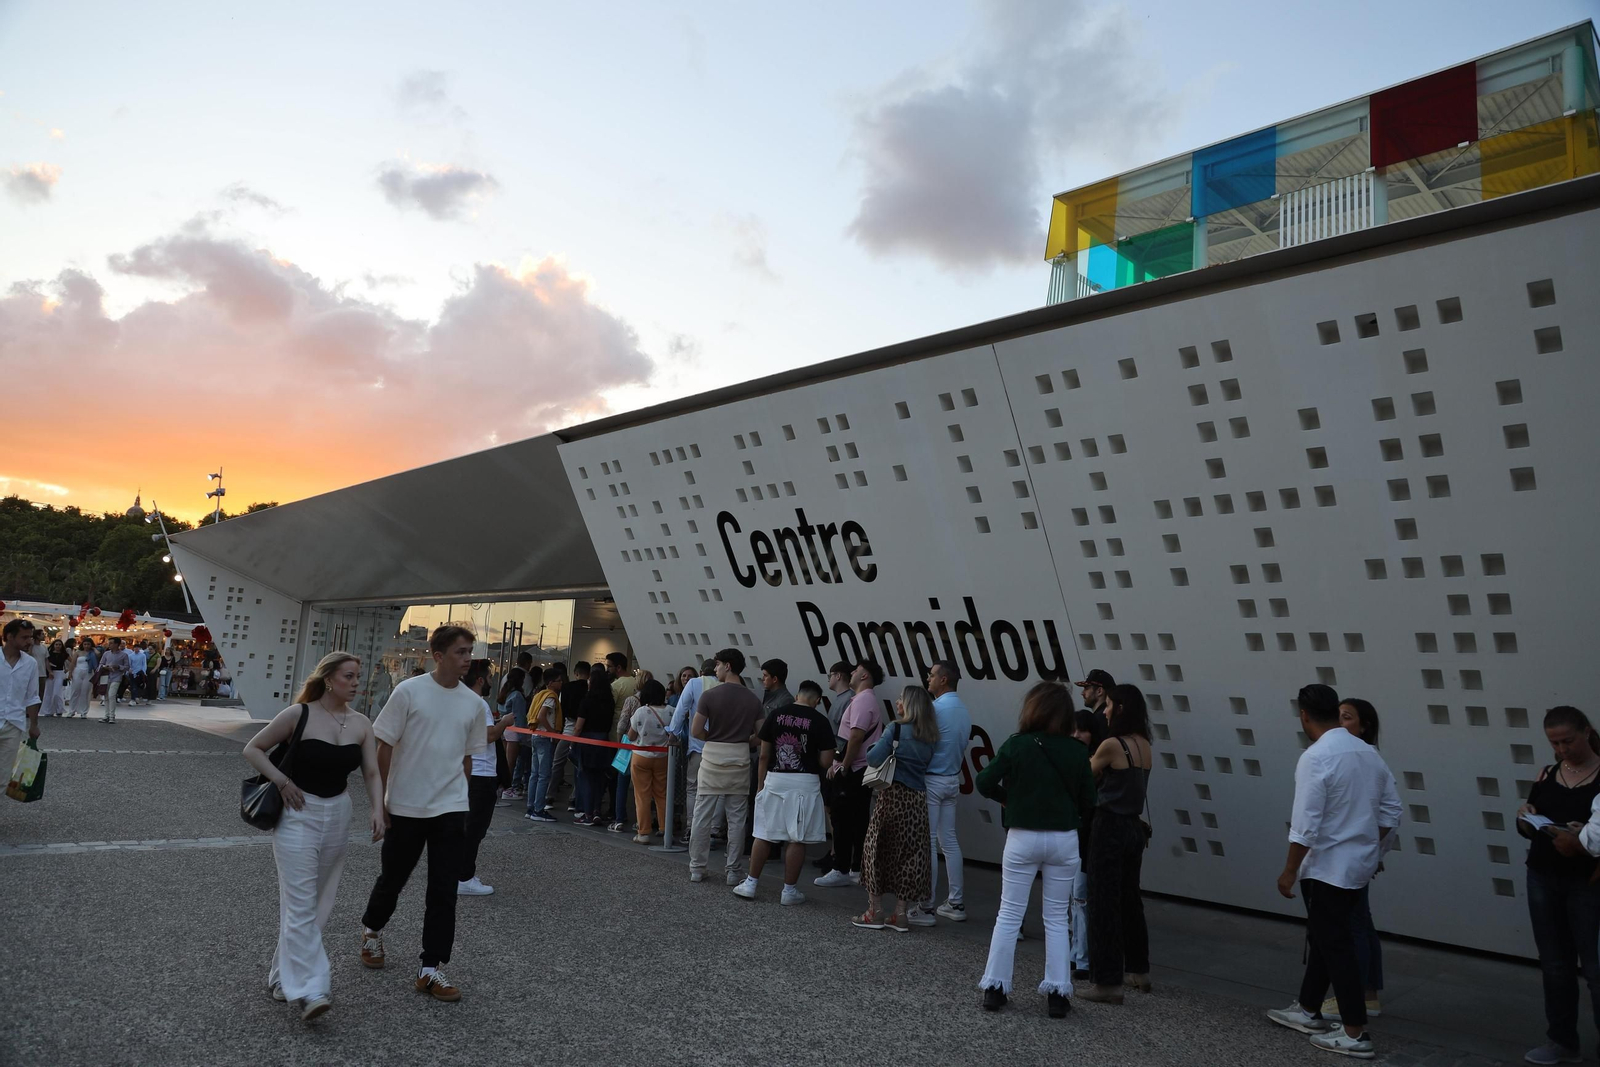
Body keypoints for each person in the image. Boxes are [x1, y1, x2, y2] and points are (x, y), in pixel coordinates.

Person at [243, 652, 386, 1022]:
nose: (356, 683)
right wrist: (282, 780)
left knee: (318, 903)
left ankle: (281, 977)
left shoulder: (361, 724)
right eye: (349, 676)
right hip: (297, 815)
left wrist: (377, 809)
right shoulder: (298, 715)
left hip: (338, 814)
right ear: (328, 680)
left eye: (358, 677)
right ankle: (310, 988)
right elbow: (253, 749)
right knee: (301, 902)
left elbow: (371, 772)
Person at [1266, 684, 1402, 1060]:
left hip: (1325, 866)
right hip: (1356, 865)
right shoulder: (1368, 753)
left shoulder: (1316, 756)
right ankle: (1309, 1009)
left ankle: (1355, 1031)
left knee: (1335, 944)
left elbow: (1306, 824)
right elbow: (1392, 812)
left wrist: (1289, 871)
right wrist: (1370, 849)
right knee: (1328, 937)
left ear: (1304, 716)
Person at [358, 625, 486, 1003]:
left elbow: (466, 758)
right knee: (393, 879)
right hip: (406, 805)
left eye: (469, 652)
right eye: (461, 652)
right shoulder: (408, 691)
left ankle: (431, 968)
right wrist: (380, 800)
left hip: (449, 807)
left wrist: (461, 801)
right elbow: (384, 746)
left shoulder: (474, 704)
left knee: (444, 890)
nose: (467, 659)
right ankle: (372, 931)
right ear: (439, 655)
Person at [975, 682, 1096, 1016]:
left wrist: (1009, 801)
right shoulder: (1076, 751)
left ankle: (995, 989)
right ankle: (1058, 994)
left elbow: (984, 781)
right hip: (1064, 839)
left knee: (1009, 914)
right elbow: (1090, 801)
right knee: (1057, 917)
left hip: (1022, 837)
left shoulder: (1018, 745)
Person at [1517, 706, 1600, 1066]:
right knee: (1554, 963)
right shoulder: (1549, 772)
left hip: (1587, 881)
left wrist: (1582, 834)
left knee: (1596, 970)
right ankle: (1561, 1040)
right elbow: (1533, 814)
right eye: (1555, 742)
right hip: (1543, 875)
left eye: (1568, 740)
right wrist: (1526, 818)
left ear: (1586, 732)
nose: (1563, 749)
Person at [1078, 683, 1155, 1005]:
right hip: (1134, 828)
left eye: (1109, 705)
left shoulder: (1112, 744)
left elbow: (1084, 776)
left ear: (1121, 708)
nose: (1105, 711)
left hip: (1108, 826)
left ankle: (1106, 983)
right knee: (1130, 899)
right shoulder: (1144, 745)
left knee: (1102, 903)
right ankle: (1138, 969)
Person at [734, 679, 835, 905]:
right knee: (796, 837)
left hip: (775, 779)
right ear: (817, 700)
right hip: (805, 783)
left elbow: (763, 754)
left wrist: (760, 785)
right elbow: (827, 761)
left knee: (764, 832)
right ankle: (789, 891)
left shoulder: (777, 715)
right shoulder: (819, 720)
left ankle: (750, 883)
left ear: (798, 695)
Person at [1320, 698, 1387, 1024]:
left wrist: (1374, 850)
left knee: (1353, 926)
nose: (1339, 723)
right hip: (1360, 854)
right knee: (1362, 922)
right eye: (1337, 716)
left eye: (1347, 718)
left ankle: (1359, 996)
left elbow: (1388, 813)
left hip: (1349, 857)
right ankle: (1368, 993)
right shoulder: (1361, 757)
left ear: (1364, 727)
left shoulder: (1364, 758)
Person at [851, 685, 938, 933]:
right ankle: (900, 914)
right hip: (918, 800)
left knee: (875, 848)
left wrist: (873, 747)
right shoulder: (931, 735)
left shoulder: (896, 728)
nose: (898, 702)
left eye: (901, 699)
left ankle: (874, 910)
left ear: (909, 704)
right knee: (911, 855)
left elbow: (873, 759)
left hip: (892, 797)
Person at [688, 648, 762, 885]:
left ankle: (697, 868)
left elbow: (696, 730)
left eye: (718, 664)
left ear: (728, 666)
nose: (716, 668)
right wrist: (744, 740)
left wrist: (713, 735)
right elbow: (761, 735)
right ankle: (733, 871)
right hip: (739, 758)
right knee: (737, 818)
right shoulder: (752, 699)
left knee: (702, 815)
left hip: (712, 759)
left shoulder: (709, 696)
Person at [816, 660, 884, 888]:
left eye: (856, 670)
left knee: (843, 819)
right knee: (857, 819)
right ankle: (855, 868)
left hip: (854, 769)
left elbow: (855, 736)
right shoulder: (863, 699)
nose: (852, 673)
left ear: (865, 675)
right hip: (858, 768)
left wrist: (843, 765)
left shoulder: (864, 700)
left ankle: (842, 868)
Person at [922, 659, 971, 924]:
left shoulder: (935, 709)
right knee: (949, 841)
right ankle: (956, 901)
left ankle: (927, 904)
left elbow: (923, 743)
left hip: (932, 779)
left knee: (929, 841)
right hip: (952, 779)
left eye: (931, 675)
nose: (928, 678)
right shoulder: (963, 709)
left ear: (943, 679)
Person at [459, 660, 513, 897]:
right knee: (474, 830)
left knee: (467, 828)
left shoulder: (461, 701)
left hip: (472, 771)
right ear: (480, 680)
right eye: (490, 677)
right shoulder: (478, 704)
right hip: (481, 774)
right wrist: (505, 722)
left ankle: (460, 873)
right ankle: (464, 877)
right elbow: (489, 735)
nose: (492, 681)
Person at [1067, 709, 1105, 977]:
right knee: (1075, 899)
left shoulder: (1095, 764)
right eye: (1073, 730)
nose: (1077, 735)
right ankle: (1076, 954)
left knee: (1080, 899)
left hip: (1086, 839)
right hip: (1074, 839)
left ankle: (1082, 959)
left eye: (1082, 730)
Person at [813, 660, 855, 875]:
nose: (828, 679)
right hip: (833, 761)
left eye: (830, 674)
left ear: (839, 676)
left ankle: (837, 855)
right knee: (830, 809)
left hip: (836, 763)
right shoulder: (842, 700)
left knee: (836, 811)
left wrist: (837, 762)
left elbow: (845, 737)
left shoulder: (848, 700)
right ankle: (833, 852)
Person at [669, 660, 718, 839]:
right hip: (720, 747)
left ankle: (691, 827)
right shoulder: (725, 685)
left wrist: (673, 733)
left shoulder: (694, 684)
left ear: (700, 672)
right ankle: (714, 830)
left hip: (697, 746)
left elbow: (681, 709)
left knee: (692, 788)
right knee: (717, 790)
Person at [626, 678, 673, 842]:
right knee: (662, 794)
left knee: (642, 795)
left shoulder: (640, 712)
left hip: (641, 757)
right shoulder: (671, 711)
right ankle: (665, 828)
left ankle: (644, 832)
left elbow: (631, 735)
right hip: (663, 757)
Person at [571, 666, 617, 825]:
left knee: (586, 778)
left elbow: (578, 726)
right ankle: (597, 810)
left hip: (587, 740)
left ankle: (587, 813)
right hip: (603, 740)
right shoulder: (610, 701)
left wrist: (573, 741)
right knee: (599, 779)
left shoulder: (587, 700)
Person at [1, 619, 42, 778]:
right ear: (10, 637)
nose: (29, 641)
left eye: (30, 637)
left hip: (13, 724)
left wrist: (34, 725)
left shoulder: (30, 664)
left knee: (4, 774)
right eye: (24, 637)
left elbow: (32, 697)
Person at [523, 666, 563, 823]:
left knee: (535, 774)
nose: (561, 684)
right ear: (551, 683)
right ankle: (539, 809)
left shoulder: (539, 694)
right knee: (544, 775)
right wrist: (552, 731)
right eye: (559, 681)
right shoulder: (551, 697)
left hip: (535, 735)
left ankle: (530, 807)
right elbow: (542, 715)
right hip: (544, 737)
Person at [552, 662, 587, 810]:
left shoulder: (566, 688)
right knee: (580, 766)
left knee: (557, 762)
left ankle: (549, 795)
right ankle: (574, 798)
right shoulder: (590, 688)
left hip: (568, 728)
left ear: (575, 672)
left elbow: (561, 709)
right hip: (585, 730)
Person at [500, 660, 532, 801]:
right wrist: (523, 736)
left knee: (506, 761)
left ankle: (503, 786)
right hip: (514, 731)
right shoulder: (518, 696)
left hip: (504, 729)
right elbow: (519, 718)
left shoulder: (505, 692)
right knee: (511, 762)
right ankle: (508, 788)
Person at [98, 637, 130, 723]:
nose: (109, 645)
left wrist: (119, 667)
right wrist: (105, 667)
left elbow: (127, 667)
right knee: (106, 696)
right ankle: (107, 715)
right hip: (106, 676)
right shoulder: (106, 654)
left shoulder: (124, 655)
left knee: (111, 695)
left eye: (111, 643)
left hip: (117, 677)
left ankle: (112, 716)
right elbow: (101, 664)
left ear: (116, 644)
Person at [67, 637, 94, 718]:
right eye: (85, 644)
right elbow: (73, 663)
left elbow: (98, 654)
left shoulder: (93, 653)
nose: (86, 646)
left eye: (88, 644)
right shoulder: (78, 652)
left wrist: (94, 649)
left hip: (88, 672)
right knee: (75, 691)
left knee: (85, 692)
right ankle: (71, 710)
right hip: (78, 671)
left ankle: (84, 711)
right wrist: (70, 672)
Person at [42, 639, 68, 717]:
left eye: (59, 645)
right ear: (53, 645)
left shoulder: (64, 654)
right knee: (48, 692)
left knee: (57, 692)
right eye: (56, 644)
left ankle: (59, 709)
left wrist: (68, 669)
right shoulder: (49, 653)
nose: (58, 646)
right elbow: (46, 662)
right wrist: (49, 671)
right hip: (51, 673)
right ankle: (48, 710)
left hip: (60, 673)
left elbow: (73, 660)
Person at [126, 641, 149, 706]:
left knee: (138, 686)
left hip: (139, 672)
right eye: (135, 647)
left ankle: (136, 697)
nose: (136, 649)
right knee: (133, 686)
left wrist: (144, 672)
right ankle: (133, 699)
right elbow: (129, 664)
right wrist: (129, 670)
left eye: (138, 648)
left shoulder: (143, 655)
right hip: (132, 672)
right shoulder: (130, 656)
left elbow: (144, 664)